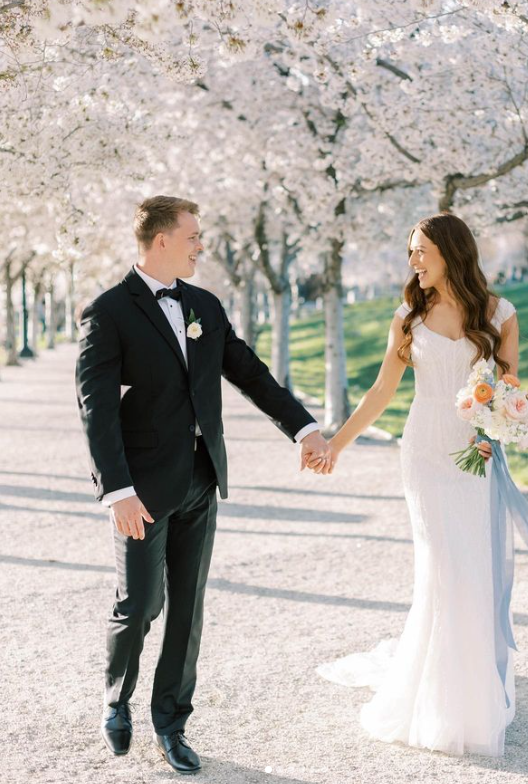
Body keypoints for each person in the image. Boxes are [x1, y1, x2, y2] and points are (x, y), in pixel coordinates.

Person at [75, 195, 331, 774]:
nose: (201, 245)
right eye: (193, 235)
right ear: (161, 239)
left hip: (201, 475)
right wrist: (116, 491)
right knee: (141, 603)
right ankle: (116, 701)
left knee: (187, 609)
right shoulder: (108, 311)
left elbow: (250, 374)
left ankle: (171, 722)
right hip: (139, 487)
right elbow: (97, 409)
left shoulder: (205, 306)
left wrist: (305, 430)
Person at [316, 212, 519, 757]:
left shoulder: (500, 314)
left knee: (471, 565)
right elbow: (383, 390)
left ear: (451, 252)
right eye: (411, 250)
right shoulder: (409, 315)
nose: (413, 260)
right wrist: (336, 443)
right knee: (442, 566)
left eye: (421, 250)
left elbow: (508, 391)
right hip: (425, 452)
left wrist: (499, 427)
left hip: (474, 454)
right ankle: (436, 697)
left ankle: (471, 695)